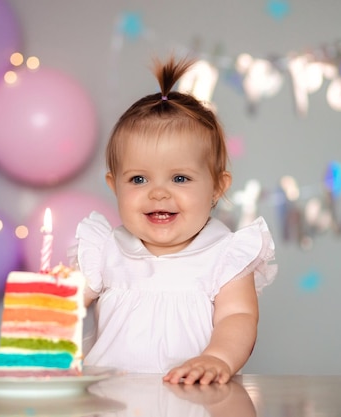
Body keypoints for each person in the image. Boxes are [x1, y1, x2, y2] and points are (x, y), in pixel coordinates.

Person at [70, 56, 277, 385]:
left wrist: (216, 358)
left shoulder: (225, 256)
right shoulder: (105, 251)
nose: (158, 193)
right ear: (114, 186)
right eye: (139, 180)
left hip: (192, 398)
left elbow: (238, 316)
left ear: (217, 187)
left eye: (180, 178)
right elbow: (60, 308)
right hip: (108, 401)